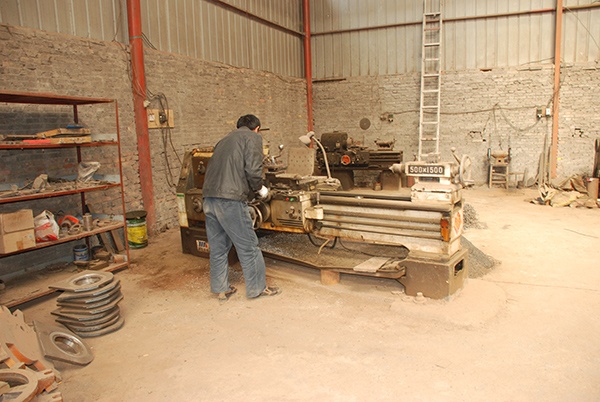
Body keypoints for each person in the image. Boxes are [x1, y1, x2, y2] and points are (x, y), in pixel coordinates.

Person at [202, 114, 280, 301]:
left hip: (209, 197)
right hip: (230, 200)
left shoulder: (223, 140)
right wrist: (260, 189)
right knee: (248, 246)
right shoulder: (252, 137)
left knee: (219, 247)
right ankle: (257, 289)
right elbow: (252, 169)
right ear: (257, 128)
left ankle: (221, 289)